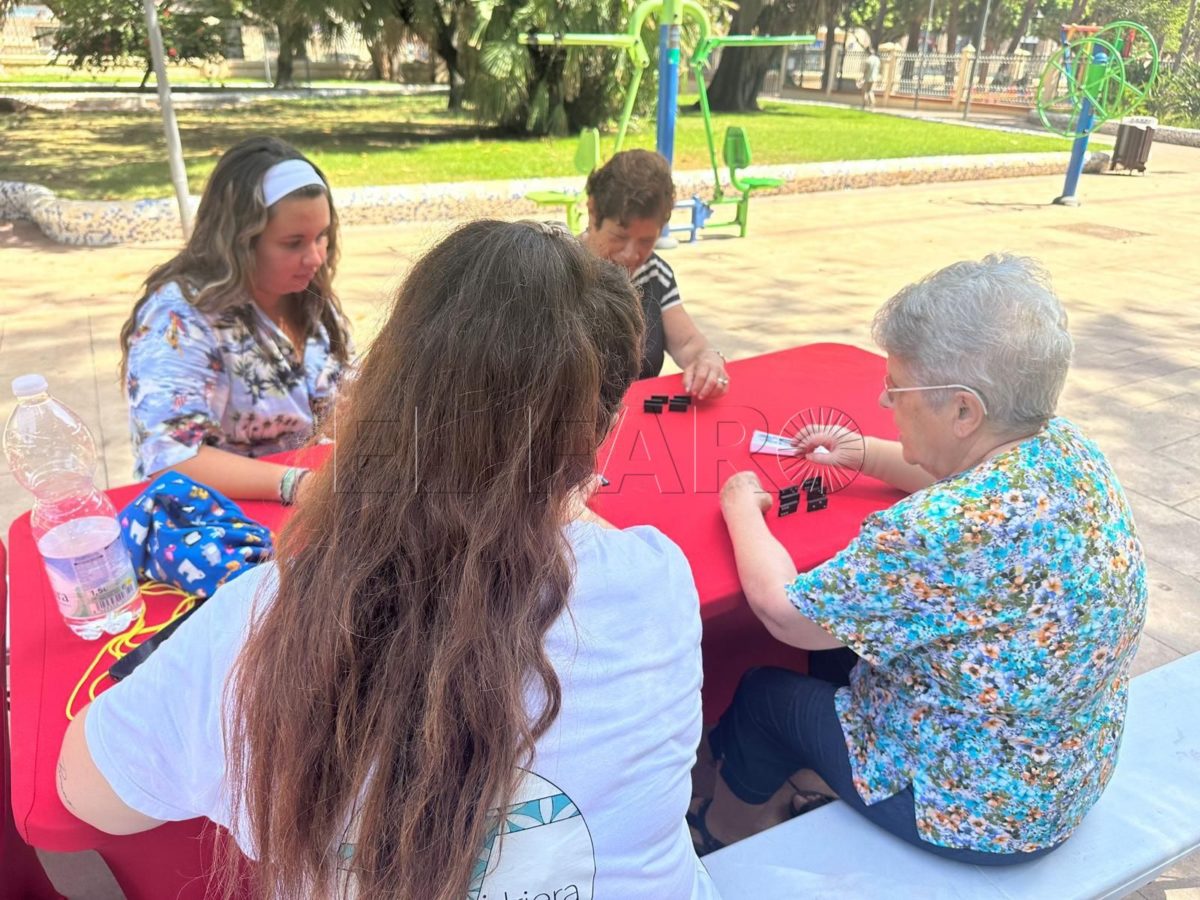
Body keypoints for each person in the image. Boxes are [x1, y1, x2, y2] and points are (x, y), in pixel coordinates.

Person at [58, 221, 718, 900]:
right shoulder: (654, 577)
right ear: (606, 430)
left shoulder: (264, 619)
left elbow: (84, 791)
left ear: (382, 397)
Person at [692, 254, 1147, 865]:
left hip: (981, 812)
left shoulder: (938, 531)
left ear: (963, 410)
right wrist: (866, 455)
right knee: (845, 650)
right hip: (1062, 766)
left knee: (764, 696)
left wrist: (740, 508)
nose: (883, 401)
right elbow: (959, 473)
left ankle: (725, 829)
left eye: (898, 389)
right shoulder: (1069, 448)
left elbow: (782, 612)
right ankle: (815, 783)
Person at [118, 136, 352, 504]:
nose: (315, 258)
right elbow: (170, 457)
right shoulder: (180, 318)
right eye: (293, 243)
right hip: (220, 520)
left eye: (322, 237)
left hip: (314, 498)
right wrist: (297, 484)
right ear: (239, 242)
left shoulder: (309, 299)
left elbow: (341, 399)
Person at [582, 148, 731, 399]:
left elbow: (687, 343)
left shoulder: (654, 274)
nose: (631, 255)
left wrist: (707, 359)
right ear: (593, 211)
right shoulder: (558, 271)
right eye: (619, 237)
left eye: (646, 241)